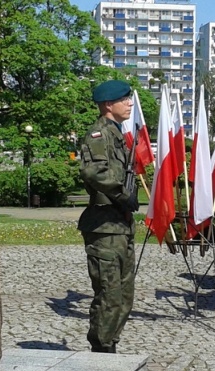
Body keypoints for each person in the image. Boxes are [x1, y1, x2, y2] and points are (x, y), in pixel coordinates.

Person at [77, 80, 139, 353]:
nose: (129, 103)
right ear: (107, 105)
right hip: (104, 225)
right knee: (109, 293)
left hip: (120, 225)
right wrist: (121, 194)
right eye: (123, 99)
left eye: (128, 99)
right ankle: (101, 350)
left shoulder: (117, 134)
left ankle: (110, 343)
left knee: (124, 295)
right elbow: (93, 173)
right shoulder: (99, 134)